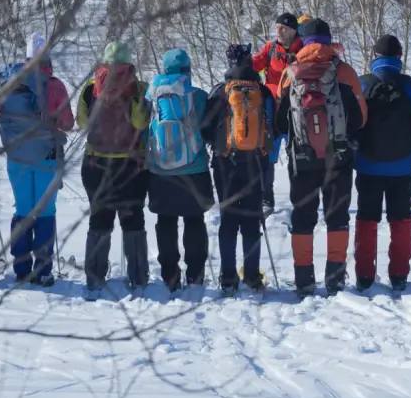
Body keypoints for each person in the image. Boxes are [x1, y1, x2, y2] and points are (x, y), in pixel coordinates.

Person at [274, 18, 366, 296]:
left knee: (303, 217)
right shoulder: (344, 72)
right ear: (328, 39)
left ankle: (303, 278)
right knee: (337, 217)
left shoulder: (290, 73)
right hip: (338, 158)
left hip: (302, 159)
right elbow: (360, 118)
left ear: (303, 41)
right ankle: (335, 278)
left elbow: (279, 122)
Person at [354, 34, 411, 291]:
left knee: (367, 218)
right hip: (403, 167)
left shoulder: (362, 84)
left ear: (374, 56)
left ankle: (365, 275)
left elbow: (351, 125)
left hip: (368, 165)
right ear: (400, 57)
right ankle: (399, 275)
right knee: (400, 218)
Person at [0, 32, 74, 286]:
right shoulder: (54, 85)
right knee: (45, 212)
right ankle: (43, 270)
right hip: (46, 157)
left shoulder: (11, 83)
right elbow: (67, 122)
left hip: (17, 157)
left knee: (23, 210)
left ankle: (21, 269)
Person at [77, 40, 150, 292]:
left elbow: (83, 123)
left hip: (95, 163)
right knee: (133, 219)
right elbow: (141, 123)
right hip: (130, 164)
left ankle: (95, 276)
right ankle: (138, 276)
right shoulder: (138, 87)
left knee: (99, 219)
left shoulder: (90, 88)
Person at [203, 43, 274, 292]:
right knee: (252, 221)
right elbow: (273, 126)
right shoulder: (262, 92)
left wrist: (218, 145)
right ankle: (252, 276)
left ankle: (228, 277)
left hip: (226, 164)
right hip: (255, 163)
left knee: (229, 220)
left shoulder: (220, 91)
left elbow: (205, 128)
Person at [145, 48, 214, 291]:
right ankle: (195, 274)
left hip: (161, 170)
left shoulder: (151, 95)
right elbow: (207, 130)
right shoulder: (198, 96)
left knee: (165, 221)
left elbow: (145, 128)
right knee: (194, 219)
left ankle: (170, 275)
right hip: (194, 169)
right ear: (188, 70)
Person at [252, 13, 301, 213]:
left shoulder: (303, 48)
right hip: (271, 108)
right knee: (268, 154)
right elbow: (254, 64)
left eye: (284, 28)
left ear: (294, 31)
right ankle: (267, 199)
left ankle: (301, 197)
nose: (279, 31)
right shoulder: (271, 48)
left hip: (295, 107)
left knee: (297, 154)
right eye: (277, 27)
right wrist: (242, 62)